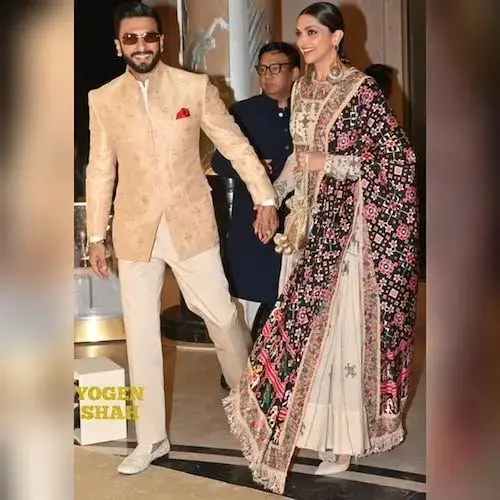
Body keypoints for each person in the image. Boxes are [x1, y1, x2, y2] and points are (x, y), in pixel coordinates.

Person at [224, 2, 419, 495]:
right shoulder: (303, 89)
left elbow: (396, 161)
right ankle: (311, 425)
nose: (304, 41)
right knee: (303, 329)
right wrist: (272, 200)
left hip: (351, 234)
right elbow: (298, 159)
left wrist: (327, 163)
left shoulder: (361, 90)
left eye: (313, 32)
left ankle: (344, 440)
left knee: (340, 332)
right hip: (308, 229)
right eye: (300, 32)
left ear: (336, 37)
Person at [85, 1, 279, 476]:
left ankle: (253, 417)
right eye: (131, 38)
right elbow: (100, 170)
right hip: (135, 231)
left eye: (148, 36)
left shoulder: (194, 87)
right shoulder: (103, 98)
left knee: (222, 319)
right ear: (118, 46)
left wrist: (265, 198)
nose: (141, 45)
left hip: (191, 226)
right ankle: (151, 438)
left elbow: (235, 144)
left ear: (162, 40)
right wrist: (95, 235)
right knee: (140, 336)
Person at [211, 42, 300, 387]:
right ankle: (240, 368)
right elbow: (218, 161)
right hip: (253, 218)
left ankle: (272, 370)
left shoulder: (309, 111)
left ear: (295, 72)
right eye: (262, 69)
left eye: (276, 68)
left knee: (287, 292)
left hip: (297, 218)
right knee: (250, 294)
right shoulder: (243, 112)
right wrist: (251, 165)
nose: (267, 75)